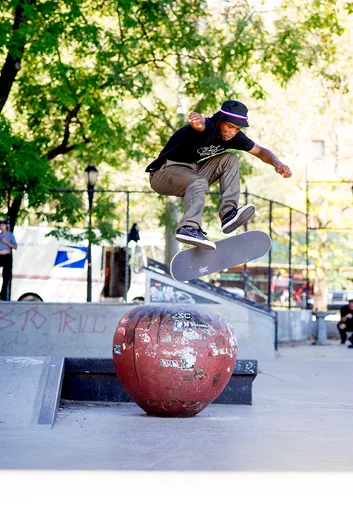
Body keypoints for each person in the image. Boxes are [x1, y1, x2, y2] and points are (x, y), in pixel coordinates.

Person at [146, 100, 292, 250]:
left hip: (189, 172)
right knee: (199, 182)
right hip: (162, 173)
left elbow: (260, 151)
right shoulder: (208, 127)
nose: (232, 132)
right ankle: (189, 228)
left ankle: (228, 213)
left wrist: (277, 163)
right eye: (230, 126)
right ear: (220, 120)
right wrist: (199, 123)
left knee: (230, 159)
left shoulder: (234, 137)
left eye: (237, 129)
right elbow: (203, 126)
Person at [0, 220, 17, 301]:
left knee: (6, 277)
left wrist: (6, 242)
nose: (1, 227)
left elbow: (15, 246)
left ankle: (3, 295)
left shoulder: (9, 235)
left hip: (6, 256)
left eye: (2, 225)